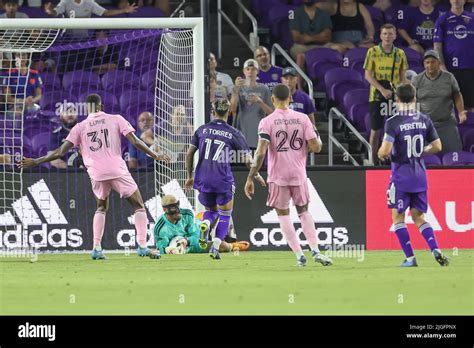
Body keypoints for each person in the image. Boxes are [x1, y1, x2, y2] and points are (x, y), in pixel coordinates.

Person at [18, 94, 170, 260]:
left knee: (101, 208)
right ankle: (142, 246)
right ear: (102, 106)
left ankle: (97, 248)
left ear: (87, 108)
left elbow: (60, 152)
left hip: (96, 173)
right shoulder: (116, 119)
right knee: (139, 206)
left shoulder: (79, 127)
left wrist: (36, 161)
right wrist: (155, 155)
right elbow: (135, 142)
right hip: (117, 170)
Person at [244, 84, 333, 267]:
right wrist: (317, 139)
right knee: (304, 211)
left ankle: (300, 255)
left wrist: (251, 177)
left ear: (273, 99)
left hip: (278, 176)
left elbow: (260, 152)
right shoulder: (302, 119)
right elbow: (316, 147)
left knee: (283, 215)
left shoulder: (267, 122)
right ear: (291, 99)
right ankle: (315, 251)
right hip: (299, 174)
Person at [377, 84, 449, 267]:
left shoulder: (393, 122)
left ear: (397, 100)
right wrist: (420, 152)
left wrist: (381, 153)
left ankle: (410, 258)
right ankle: (435, 249)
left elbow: (385, 150)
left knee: (398, 218)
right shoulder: (424, 119)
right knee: (419, 218)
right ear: (415, 99)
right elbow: (438, 146)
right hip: (420, 176)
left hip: (401, 177)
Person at [184, 98, 266, 260]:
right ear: (229, 112)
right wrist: (255, 174)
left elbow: (189, 154)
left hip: (203, 178)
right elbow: (248, 160)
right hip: (222, 179)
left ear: (212, 112)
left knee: (210, 211)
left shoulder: (201, 130)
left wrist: (190, 176)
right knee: (225, 213)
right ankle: (215, 247)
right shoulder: (234, 133)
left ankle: (206, 224)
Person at [364, 23, 408, 164]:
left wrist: (402, 95)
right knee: (375, 129)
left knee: (394, 129)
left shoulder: (400, 54)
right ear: (380, 36)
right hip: (376, 96)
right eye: (385, 34)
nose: (388, 36)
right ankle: (373, 161)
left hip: (394, 97)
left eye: (390, 34)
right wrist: (382, 90)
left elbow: (403, 77)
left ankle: (393, 159)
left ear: (395, 36)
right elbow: (368, 76)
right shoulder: (372, 52)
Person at [153, 195, 249, 255]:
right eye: (173, 208)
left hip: (197, 237)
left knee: (223, 217)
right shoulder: (160, 228)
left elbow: (196, 236)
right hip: (188, 249)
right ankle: (230, 244)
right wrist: (170, 250)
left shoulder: (187, 214)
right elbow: (162, 248)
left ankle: (233, 244)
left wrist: (186, 240)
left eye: (177, 205)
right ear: (165, 210)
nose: (178, 210)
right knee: (223, 246)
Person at [412, 49, 466, 153]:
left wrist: (461, 112)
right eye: (427, 63)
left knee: (454, 153)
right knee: (425, 154)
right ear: (424, 64)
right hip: (425, 124)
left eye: (433, 62)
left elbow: (457, 95)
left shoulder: (449, 77)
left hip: (446, 123)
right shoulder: (417, 80)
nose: (430, 65)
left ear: (439, 63)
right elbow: (412, 100)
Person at [434, 0, 474, 110]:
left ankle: (470, 127)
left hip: (470, 69)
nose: (456, 0)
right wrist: (442, 67)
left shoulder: (472, 18)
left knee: (470, 105)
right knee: (450, 106)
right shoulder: (442, 19)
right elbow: (437, 46)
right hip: (450, 70)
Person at [230, 59, 273, 150]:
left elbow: (272, 113)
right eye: (248, 69)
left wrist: (259, 101)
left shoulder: (264, 89)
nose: (250, 72)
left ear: (257, 71)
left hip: (258, 135)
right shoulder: (238, 88)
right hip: (241, 134)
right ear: (244, 71)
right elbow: (232, 109)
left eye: (253, 69)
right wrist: (236, 90)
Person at [289, 0, 332, 89]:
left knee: (338, 48)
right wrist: (319, 36)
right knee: (299, 55)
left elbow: (327, 37)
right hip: (302, 46)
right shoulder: (296, 14)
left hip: (321, 46)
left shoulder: (323, 14)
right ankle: (300, 88)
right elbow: (296, 37)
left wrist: (308, 38)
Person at [4, 52, 43, 118]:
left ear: (27, 56)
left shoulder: (35, 74)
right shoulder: (9, 74)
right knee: (17, 114)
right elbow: (8, 98)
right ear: (14, 57)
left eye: (24, 54)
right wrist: (22, 101)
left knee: (36, 112)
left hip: (31, 104)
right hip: (15, 106)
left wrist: (33, 100)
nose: (21, 57)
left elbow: (39, 95)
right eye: (18, 55)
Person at [49, 103, 83, 169]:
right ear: (61, 116)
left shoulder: (85, 132)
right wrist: (70, 169)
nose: (70, 114)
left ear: (77, 114)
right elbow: (52, 159)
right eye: (66, 112)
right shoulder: (56, 135)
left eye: (72, 111)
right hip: (65, 173)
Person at [45, 0, 137, 17]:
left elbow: (106, 12)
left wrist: (124, 10)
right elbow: (55, 12)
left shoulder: (89, 2)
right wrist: (49, 11)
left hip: (85, 40)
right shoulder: (65, 2)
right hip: (68, 40)